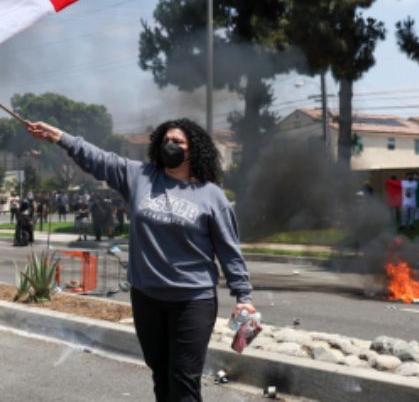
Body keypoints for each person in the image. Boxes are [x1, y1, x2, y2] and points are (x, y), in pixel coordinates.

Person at [27, 118, 254, 402]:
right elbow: (99, 159)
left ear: (194, 149)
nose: (170, 146)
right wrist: (59, 136)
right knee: (161, 375)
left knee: (183, 380)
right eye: (166, 141)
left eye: (178, 142)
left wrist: (243, 296)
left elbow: (229, 249)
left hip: (192, 300)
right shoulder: (141, 177)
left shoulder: (211, 196)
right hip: (147, 298)